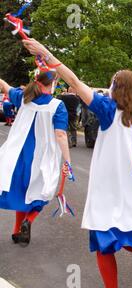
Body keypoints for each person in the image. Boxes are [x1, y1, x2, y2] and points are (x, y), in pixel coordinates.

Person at [22, 38, 132, 288]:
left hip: (109, 192)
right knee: (129, 233)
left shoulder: (108, 110)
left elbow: (72, 80)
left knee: (104, 245)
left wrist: (45, 52)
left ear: (116, 87)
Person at [0, 70, 71, 247]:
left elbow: (5, 86)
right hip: (42, 158)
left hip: (18, 156)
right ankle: (29, 220)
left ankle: (17, 231)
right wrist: (67, 161)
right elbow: (61, 134)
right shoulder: (57, 105)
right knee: (41, 192)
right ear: (53, 84)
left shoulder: (24, 98)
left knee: (23, 195)